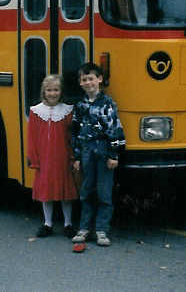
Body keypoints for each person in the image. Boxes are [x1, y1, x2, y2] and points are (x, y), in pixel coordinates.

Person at [70, 62, 124, 247]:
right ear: (80, 83)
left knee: (104, 191)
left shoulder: (108, 104)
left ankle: (101, 230)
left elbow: (115, 129)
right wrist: (76, 157)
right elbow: (75, 133)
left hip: (103, 151)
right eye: (84, 80)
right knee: (86, 190)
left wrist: (113, 155)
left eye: (91, 78)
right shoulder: (80, 106)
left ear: (99, 80)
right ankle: (84, 228)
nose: (88, 82)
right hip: (86, 151)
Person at [27, 74, 78, 238]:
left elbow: (71, 136)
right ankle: (47, 223)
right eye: (49, 90)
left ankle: (68, 223)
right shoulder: (36, 111)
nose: (52, 93)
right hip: (45, 158)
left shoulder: (67, 110)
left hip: (62, 157)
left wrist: (73, 156)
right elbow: (32, 137)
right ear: (44, 91)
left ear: (61, 91)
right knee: (46, 192)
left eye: (56, 90)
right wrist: (34, 158)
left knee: (65, 192)